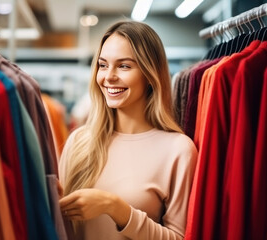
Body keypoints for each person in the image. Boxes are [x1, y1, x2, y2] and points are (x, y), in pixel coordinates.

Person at [58, 20, 197, 240]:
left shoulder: (178, 150)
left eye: (124, 66)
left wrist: (116, 208)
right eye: (103, 65)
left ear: (150, 75)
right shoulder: (79, 141)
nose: (109, 76)